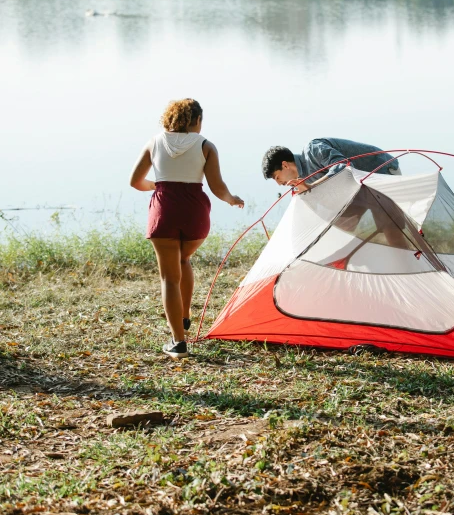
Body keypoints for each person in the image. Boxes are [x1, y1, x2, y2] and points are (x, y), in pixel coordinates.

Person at [130, 98, 244, 359]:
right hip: (195, 212)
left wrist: (158, 186)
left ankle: (178, 342)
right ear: (197, 121)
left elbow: (135, 181)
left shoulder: (154, 142)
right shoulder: (206, 146)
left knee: (169, 277)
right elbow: (217, 186)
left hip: (164, 211)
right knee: (184, 258)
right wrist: (231, 199)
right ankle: (184, 316)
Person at [262, 138, 400, 192]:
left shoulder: (313, 150)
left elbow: (343, 165)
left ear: (285, 165)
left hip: (383, 170)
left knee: (390, 227)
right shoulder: (303, 180)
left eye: (277, 178)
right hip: (362, 187)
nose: (280, 184)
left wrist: (311, 187)